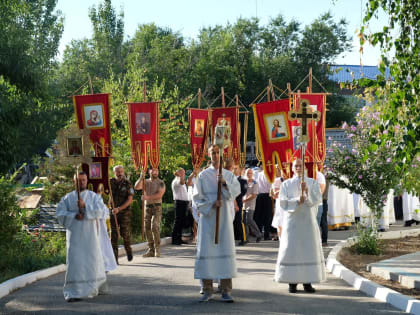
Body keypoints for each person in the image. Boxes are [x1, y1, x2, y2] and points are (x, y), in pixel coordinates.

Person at [193, 144, 241, 302]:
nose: (214, 155)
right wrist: (212, 204)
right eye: (212, 153)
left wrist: (225, 183)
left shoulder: (228, 174)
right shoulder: (202, 176)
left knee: (224, 250)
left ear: (221, 155)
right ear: (208, 155)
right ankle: (207, 289)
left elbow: (236, 192)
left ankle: (226, 290)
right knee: (207, 251)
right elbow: (197, 198)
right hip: (208, 220)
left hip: (224, 220)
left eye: (217, 153)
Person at [274, 159, 325, 293]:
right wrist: (297, 200)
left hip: (308, 221)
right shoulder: (286, 184)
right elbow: (283, 202)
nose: (298, 168)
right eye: (295, 166)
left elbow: (318, 200)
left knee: (308, 250)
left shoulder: (312, 182)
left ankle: (307, 282)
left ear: (305, 167)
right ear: (292, 168)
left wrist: (307, 193)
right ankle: (292, 282)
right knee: (293, 251)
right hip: (292, 223)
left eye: (300, 165)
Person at [56, 172, 108, 302]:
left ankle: (94, 287)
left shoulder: (94, 197)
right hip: (75, 238)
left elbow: (102, 212)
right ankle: (73, 292)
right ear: (74, 182)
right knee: (75, 263)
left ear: (87, 181)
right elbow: (60, 215)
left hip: (90, 237)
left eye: (84, 180)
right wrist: (74, 216)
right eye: (79, 180)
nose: (82, 182)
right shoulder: (67, 198)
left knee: (92, 262)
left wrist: (86, 207)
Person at [135, 167, 166, 257]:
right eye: (154, 170)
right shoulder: (146, 181)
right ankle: (151, 250)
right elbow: (136, 187)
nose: (156, 172)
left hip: (157, 207)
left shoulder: (161, 182)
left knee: (154, 226)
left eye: (157, 170)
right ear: (149, 171)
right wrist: (141, 177)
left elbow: (159, 194)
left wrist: (147, 197)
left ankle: (157, 249)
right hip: (147, 207)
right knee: (147, 228)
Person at [110, 165, 134, 264]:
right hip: (113, 213)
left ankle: (128, 250)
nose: (119, 173)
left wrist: (119, 209)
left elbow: (130, 200)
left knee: (125, 235)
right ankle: (114, 259)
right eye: (117, 172)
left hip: (124, 213)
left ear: (123, 171)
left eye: (121, 171)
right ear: (114, 173)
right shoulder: (110, 182)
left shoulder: (128, 184)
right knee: (114, 236)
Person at [243, 168, 262, 242]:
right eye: (248, 173)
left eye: (250, 173)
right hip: (243, 204)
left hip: (250, 204)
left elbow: (254, 195)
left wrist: (245, 200)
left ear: (252, 174)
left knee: (249, 219)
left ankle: (259, 234)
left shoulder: (255, 183)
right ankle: (246, 237)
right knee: (244, 221)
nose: (249, 175)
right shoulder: (244, 182)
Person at [171, 168, 189, 245]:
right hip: (179, 203)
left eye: (184, 173)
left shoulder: (181, 180)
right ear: (178, 173)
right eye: (182, 173)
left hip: (183, 203)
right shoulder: (176, 180)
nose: (184, 174)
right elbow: (181, 182)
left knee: (181, 221)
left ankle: (179, 238)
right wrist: (181, 176)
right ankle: (174, 239)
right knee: (178, 221)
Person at [254, 169, 273, 240]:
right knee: (267, 216)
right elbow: (271, 185)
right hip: (267, 195)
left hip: (260, 195)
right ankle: (266, 235)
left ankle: (259, 233)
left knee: (260, 215)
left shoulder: (258, 174)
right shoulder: (269, 174)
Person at [232, 165, 248, 246]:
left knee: (239, 221)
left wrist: (234, 196)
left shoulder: (243, 180)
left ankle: (243, 238)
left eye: (236, 168)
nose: (234, 170)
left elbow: (243, 192)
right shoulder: (230, 178)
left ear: (239, 170)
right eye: (233, 168)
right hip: (230, 202)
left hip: (238, 202)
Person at [271, 166, 285, 241]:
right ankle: (281, 241)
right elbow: (275, 194)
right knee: (280, 224)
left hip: (289, 205)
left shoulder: (291, 180)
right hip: (280, 205)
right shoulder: (276, 180)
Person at [315, 167, 327, 246]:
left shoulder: (319, 175)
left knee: (319, 224)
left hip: (318, 203)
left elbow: (320, 191)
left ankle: (323, 241)